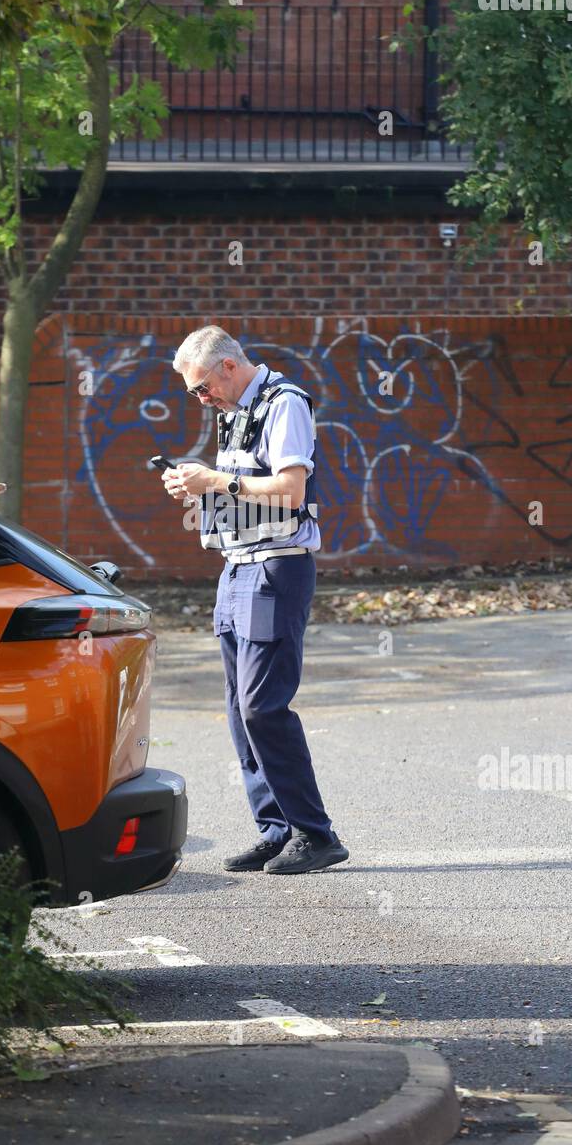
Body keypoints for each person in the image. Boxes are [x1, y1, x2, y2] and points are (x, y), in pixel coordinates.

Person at [162, 325, 348, 875]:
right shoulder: (235, 409)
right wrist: (193, 484)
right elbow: (236, 481)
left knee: (262, 706)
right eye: (193, 394)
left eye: (201, 388)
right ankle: (276, 829)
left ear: (227, 366)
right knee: (238, 711)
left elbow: (289, 489)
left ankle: (315, 834)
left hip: (276, 567)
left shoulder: (284, 403)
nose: (200, 399)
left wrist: (216, 481)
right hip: (237, 567)